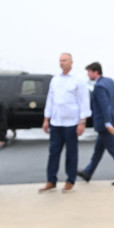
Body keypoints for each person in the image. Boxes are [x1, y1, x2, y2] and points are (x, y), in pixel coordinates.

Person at [40, 52, 91, 193]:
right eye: (60, 60)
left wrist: (82, 122)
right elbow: (50, 101)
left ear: (71, 62)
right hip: (56, 122)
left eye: (64, 60)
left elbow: (84, 101)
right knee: (53, 152)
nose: (62, 63)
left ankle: (70, 180)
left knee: (71, 153)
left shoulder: (78, 80)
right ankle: (51, 180)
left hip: (71, 123)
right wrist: (46, 119)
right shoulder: (55, 80)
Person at [78, 62, 114, 185]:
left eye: (89, 72)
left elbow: (105, 106)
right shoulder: (109, 82)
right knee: (98, 151)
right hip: (112, 120)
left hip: (105, 124)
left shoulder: (99, 86)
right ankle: (88, 172)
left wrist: (108, 124)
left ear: (95, 72)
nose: (88, 75)